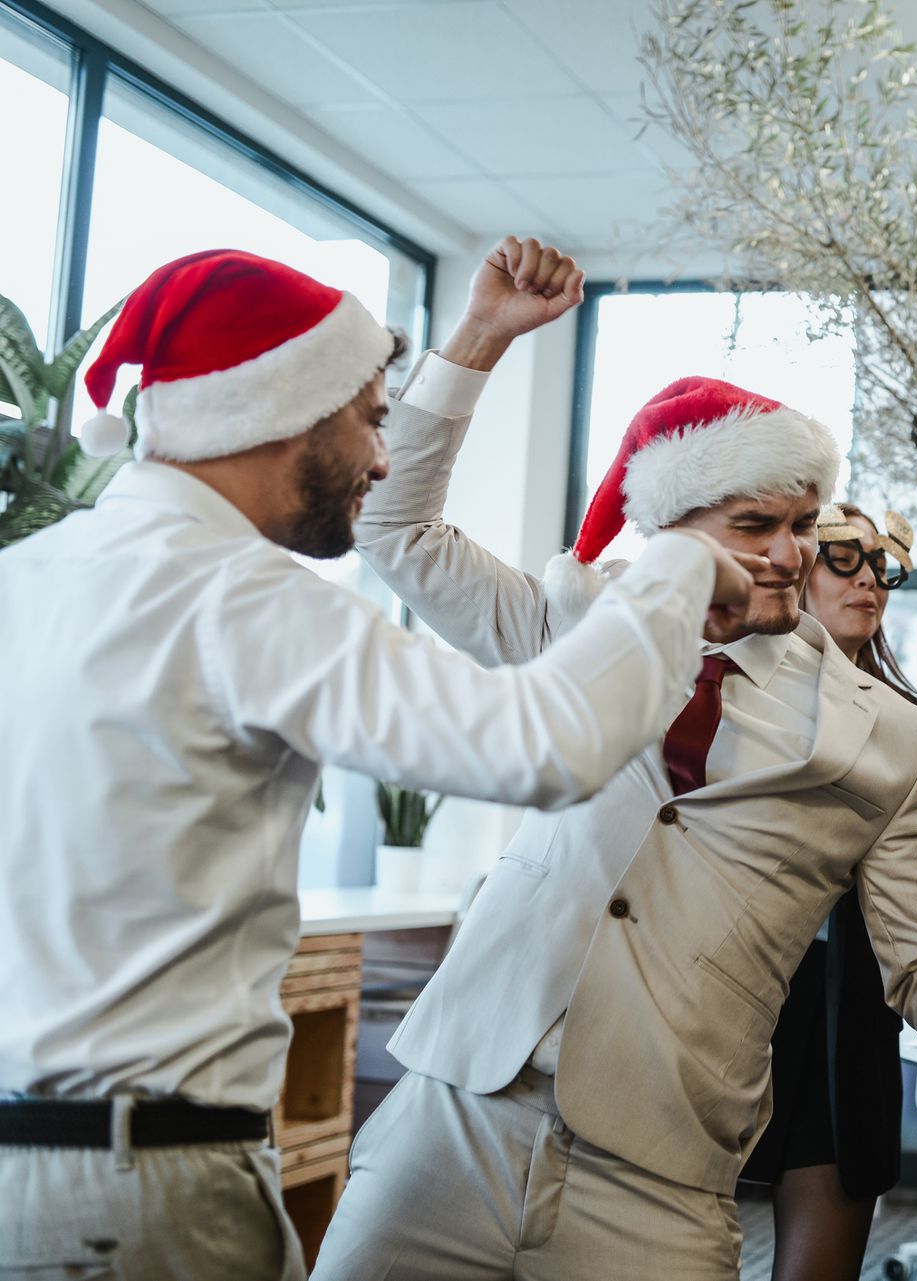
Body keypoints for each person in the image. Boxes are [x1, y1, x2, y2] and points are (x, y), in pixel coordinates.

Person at [312, 241, 917, 1281]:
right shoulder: (573, 622)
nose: (785, 553)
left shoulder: (887, 737)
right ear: (669, 527)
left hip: (661, 1170)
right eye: (751, 524)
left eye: (801, 525)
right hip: (456, 1117)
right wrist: (481, 336)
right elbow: (394, 530)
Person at [0, 245, 753, 1280]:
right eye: (366, 418)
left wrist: (482, 335)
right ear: (284, 416)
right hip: (138, 1196)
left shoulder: (26, 575)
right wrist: (676, 565)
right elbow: (545, 745)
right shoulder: (239, 596)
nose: (382, 457)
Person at [741, 502, 917, 1281]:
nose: (868, 577)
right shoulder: (732, 700)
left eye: (880, 565)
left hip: (845, 1030)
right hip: (732, 1014)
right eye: (843, 557)